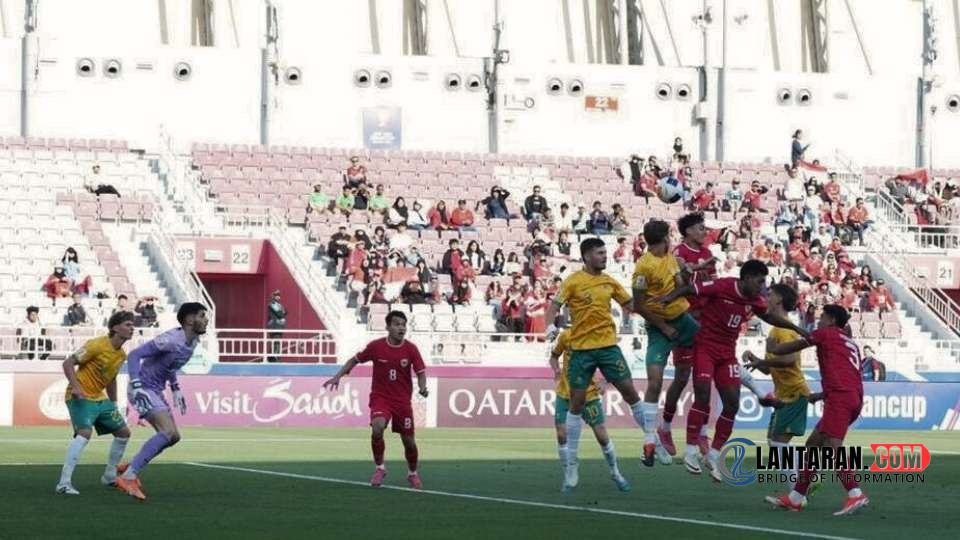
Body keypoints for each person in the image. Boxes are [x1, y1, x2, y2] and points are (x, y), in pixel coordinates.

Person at [651, 260, 808, 480]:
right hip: (705, 347)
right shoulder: (722, 286)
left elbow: (771, 317)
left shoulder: (755, 300)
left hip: (727, 354)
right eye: (760, 281)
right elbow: (690, 288)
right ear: (746, 278)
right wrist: (669, 297)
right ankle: (690, 451)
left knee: (732, 403)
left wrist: (797, 327)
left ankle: (714, 454)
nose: (763, 286)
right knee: (703, 394)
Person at [543, 237, 648, 491]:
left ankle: (651, 437)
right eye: (600, 253)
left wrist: (648, 300)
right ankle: (571, 467)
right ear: (587, 255)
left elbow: (631, 305)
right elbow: (554, 306)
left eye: (605, 252)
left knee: (628, 396)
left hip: (607, 347)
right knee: (566, 425)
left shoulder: (609, 281)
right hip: (580, 356)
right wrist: (549, 326)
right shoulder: (572, 283)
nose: (605, 256)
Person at [764, 305, 869, 516]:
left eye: (822, 317)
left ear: (831, 320)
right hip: (852, 397)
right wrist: (820, 395)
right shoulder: (851, 343)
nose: (818, 321)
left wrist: (773, 350)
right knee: (814, 444)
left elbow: (798, 344)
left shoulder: (826, 333)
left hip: (839, 398)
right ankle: (796, 497)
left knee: (832, 445)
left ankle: (855, 493)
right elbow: (848, 374)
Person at [323, 311, 428, 488]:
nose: (401, 327)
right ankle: (380, 468)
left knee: (409, 441)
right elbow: (354, 360)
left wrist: (423, 387)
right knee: (377, 428)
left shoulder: (411, 349)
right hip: (381, 398)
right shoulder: (376, 347)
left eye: (403, 324)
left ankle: (412, 473)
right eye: (396, 324)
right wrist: (338, 376)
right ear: (388, 327)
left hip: (402, 401)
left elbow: (421, 372)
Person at [115, 303, 209, 501]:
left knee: (174, 436)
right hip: (142, 389)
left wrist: (175, 387)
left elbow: (170, 366)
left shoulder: (192, 342)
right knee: (166, 432)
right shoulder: (171, 339)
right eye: (202, 315)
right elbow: (134, 355)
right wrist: (137, 385)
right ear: (190, 320)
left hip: (156, 390)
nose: (206, 319)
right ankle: (129, 476)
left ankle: (129, 465)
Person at [631, 220, 700, 466]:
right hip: (659, 327)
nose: (671, 240)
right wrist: (663, 327)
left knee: (713, 348)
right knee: (655, 381)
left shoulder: (670, 258)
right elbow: (638, 305)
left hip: (683, 319)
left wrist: (685, 274)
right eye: (669, 236)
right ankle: (651, 440)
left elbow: (682, 287)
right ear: (663, 239)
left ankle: (698, 435)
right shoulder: (643, 267)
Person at [741, 284, 817, 492]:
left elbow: (790, 360)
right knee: (774, 442)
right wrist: (757, 360)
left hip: (793, 392)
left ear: (779, 301)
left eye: (771, 294)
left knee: (778, 445)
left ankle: (797, 493)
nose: (767, 296)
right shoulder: (776, 329)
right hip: (784, 394)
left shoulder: (784, 330)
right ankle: (804, 482)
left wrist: (761, 363)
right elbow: (769, 370)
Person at [56, 311, 137, 495]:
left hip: (99, 398)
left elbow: (111, 379)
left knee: (123, 432)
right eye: (128, 324)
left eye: (133, 325)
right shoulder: (96, 345)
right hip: (80, 395)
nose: (132, 328)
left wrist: (115, 403)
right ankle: (63, 483)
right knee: (85, 433)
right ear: (115, 328)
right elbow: (68, 363)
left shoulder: (122, 354)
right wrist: (76, 387)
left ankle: (109, 475)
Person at [658, 213, 717, 458]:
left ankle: (702, 432)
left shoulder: (708, 255)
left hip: (706, 324)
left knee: (705, 380)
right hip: (685, 321)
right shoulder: (678, 255)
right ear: (688, 232)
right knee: (682, 377)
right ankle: (665, 428)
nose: (705, 231)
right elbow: (678, 284)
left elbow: (713, 286)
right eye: (700, 228)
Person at [550, 328, 630, 492]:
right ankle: (568, 474)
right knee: (561, 433)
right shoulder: (566, 335)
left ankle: (615, 472)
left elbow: (612, 362)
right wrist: (557, 371)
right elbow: (553, 357)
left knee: (601, 435)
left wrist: (605, 380)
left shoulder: (596, 336)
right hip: (565, 393)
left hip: (589, 393)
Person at [266, 290, 287, 363]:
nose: (278, 297)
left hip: (279, 326)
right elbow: (280, 313)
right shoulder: (272, 304)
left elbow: (285, 312)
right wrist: (282, 314)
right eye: (276, 295)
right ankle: (274, 358)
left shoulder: (279, 305)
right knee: (276, 342)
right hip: (274, 326)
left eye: (279, 295)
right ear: (273, 296)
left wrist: (283, 313)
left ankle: (273, 358)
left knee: (277, 342)